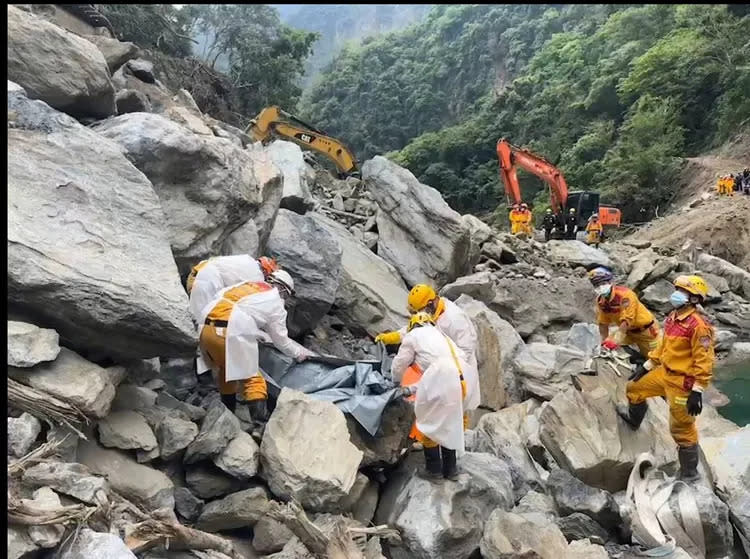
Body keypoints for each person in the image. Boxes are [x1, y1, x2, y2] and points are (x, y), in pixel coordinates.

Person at [617, 275, 715, 481]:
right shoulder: (672, 317)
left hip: (682, 382)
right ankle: (634, 420)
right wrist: (646, 366)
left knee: (680, 427)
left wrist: (697, 391)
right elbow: (663, 347)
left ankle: (690, 473)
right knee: (634, 388)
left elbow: (704, 361)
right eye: (678, 289)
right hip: (664, 373)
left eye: (684, 292)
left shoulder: (699, 326)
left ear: (695, 299)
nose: (677, 294)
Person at [197, 270, 316, 418]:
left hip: (205, 329)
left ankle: (228, 412)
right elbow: (281, 340)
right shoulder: (276, 302)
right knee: (252, 377)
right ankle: (258, 422)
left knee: (227, 371)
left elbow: (235, 307)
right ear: (283, 290)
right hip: (228, 331)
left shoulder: (246, 285)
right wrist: (298, 353)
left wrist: (252, 331)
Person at [374, 284, 481, 425]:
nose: (418, 315)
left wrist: (450, 370)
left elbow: (466, 349)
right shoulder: (432, 313)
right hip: (442, 370)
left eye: (419, 311)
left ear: (430, 304)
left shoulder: (455, 319)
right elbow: (416, 327)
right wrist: (392, 337)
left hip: (460, 370)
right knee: (438, 409)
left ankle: (460, 439)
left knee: (457, 413)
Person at [391, 311, 467, 480]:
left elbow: (399, 364)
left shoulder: (413, 337)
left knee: (429, 422)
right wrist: (412, 389)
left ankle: (434, 471)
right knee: (449, 423)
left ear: (412, 326)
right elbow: (436, 374)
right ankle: (451, 470)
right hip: (460, 380)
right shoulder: (441, 336)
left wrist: (395, 383)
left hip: (441, 380)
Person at [589, 267, 661, 358]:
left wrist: (616, 340)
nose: (600, 287)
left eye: (603, 283)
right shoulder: (601, 301)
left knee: (655, 359)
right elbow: (603, 323)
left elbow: (627, 320)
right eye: (596, 285)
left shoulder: (625, 295)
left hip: (646, 332)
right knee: (607, 347)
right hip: (628, 333)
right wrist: (604, 341)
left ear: (610, 282)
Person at [186, 255, 279, 322]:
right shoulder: (257, 277)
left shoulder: (247, 258)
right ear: (266, 272)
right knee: (200, 322)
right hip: (207, 281)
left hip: (197, 272)